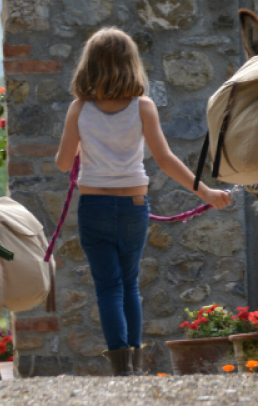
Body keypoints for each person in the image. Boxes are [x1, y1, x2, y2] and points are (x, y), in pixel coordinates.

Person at [55, 28, 231, 376]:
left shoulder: (79, 109)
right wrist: (207, 193)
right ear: (130, 64)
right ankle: (134, 365)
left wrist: (84, 144)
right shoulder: (143, 107)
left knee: (107, 287)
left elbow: (63, 164)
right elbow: (165, 160)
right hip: (134, 205)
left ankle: (120, 365)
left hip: (93, 207)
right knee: (129, 283)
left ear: (88, 66)